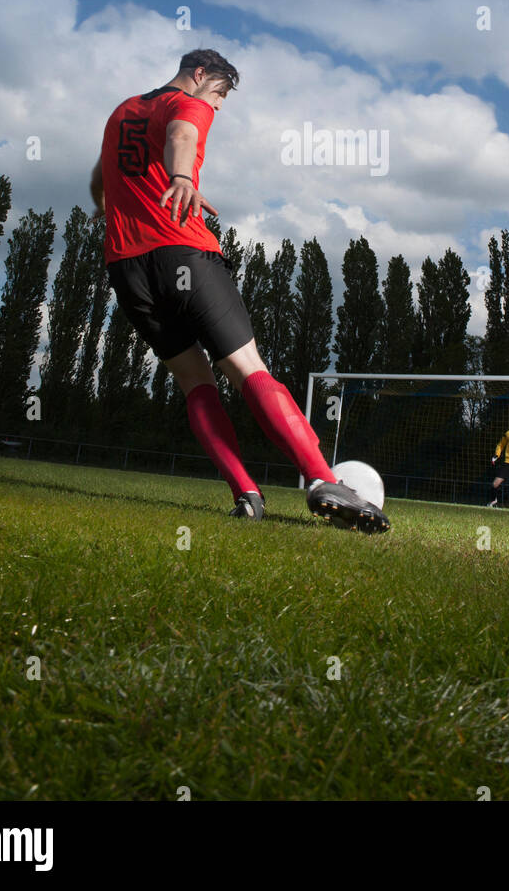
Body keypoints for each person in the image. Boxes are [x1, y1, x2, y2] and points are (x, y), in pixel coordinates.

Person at [89, 47, 389, 533]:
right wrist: (182, 175)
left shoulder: (121, 112)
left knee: (194, 382)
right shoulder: (187, 104)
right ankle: (320, 479)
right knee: (247, 369)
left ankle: (246, 495)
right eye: (221, 92)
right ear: (200, 74)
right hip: (183, 252)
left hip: (127, 269)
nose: (220, 106)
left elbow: (100, 175)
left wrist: (104, 205)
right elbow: (182, 134)